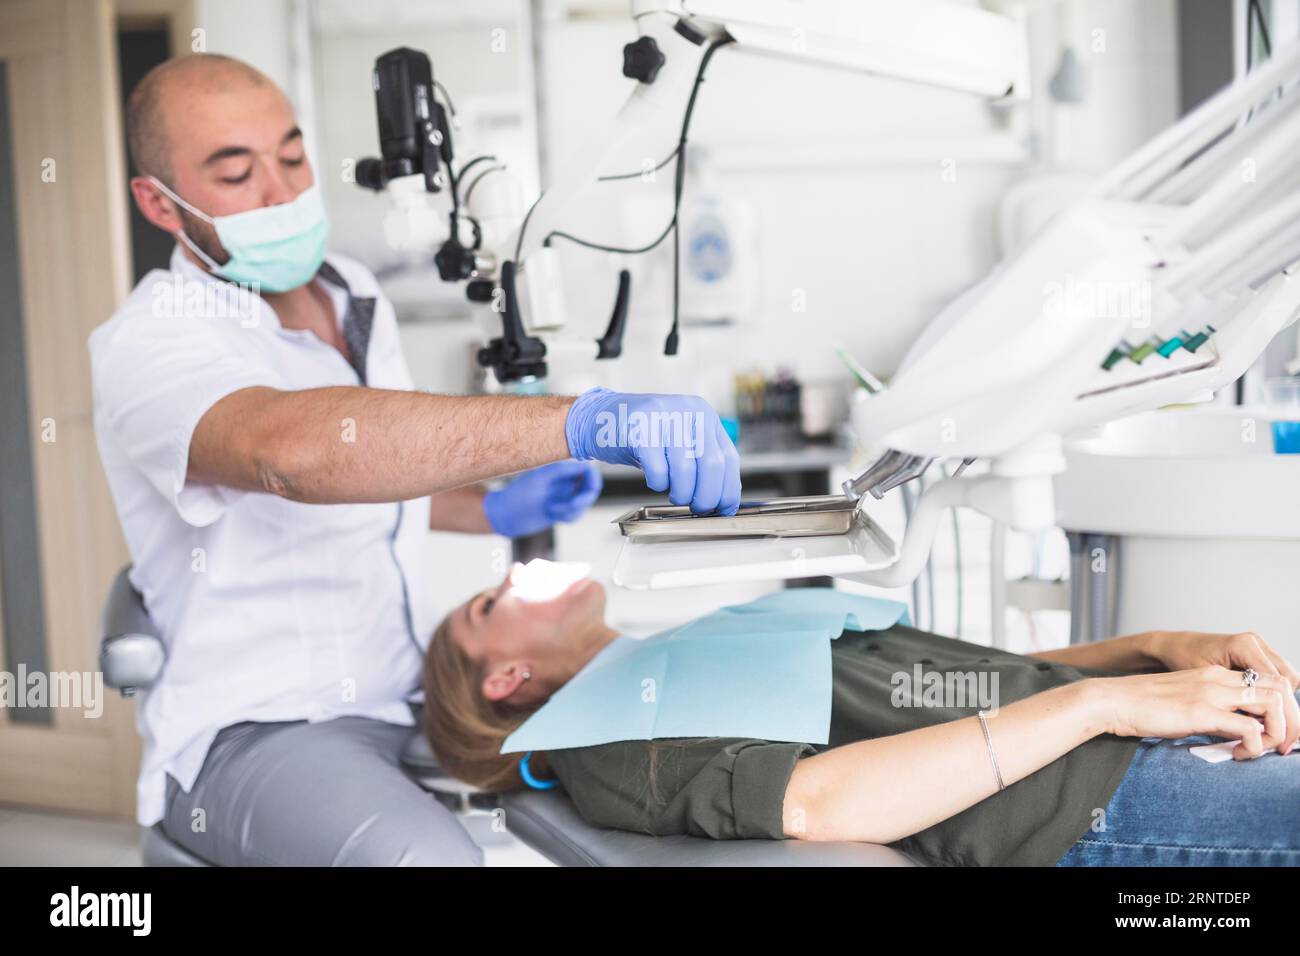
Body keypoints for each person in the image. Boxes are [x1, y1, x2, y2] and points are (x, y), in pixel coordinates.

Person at [89, 53, 740, 866]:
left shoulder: (354, 293)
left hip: (404, 695)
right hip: (261, 723)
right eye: (235, 173)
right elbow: (294, 455)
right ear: (160, 202)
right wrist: (581, 421)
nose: (281, 192)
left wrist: (491, 510)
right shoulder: (150, 343)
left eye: (292, 157)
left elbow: (371, 476)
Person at [422, 568, 1300, 866]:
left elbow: (961, 684)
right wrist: (1109, 703)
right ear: (507, 679)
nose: (526, 566)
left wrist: (1156, 651)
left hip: (1123, 736)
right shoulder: (605, 744)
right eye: (497, 597)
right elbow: (820, 803)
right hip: (1089, 807)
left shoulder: (687, 654)